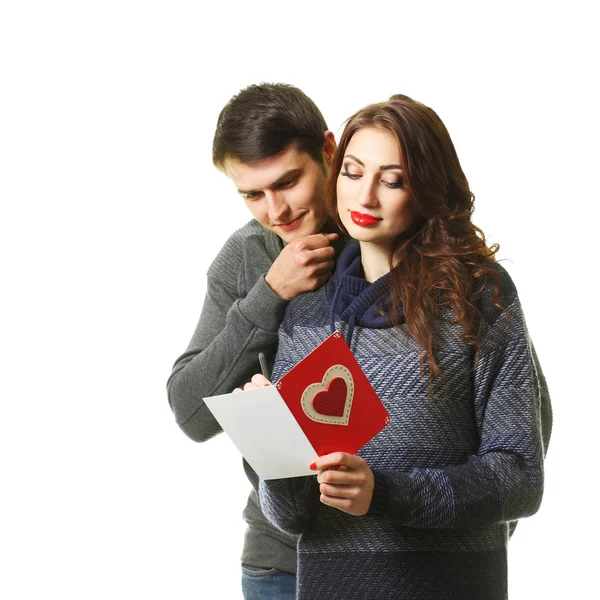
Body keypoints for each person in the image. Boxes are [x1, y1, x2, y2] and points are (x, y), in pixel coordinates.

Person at [241, 95, 551, 599]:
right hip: (330, 587)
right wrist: (270, 444)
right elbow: (293, 517)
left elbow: (519, 477)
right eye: (353, 172)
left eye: (392, 180)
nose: (364, 197)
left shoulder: (479, 296)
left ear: (426, 188)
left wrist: (385, 494)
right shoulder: (307, 308)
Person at [166, 83, 348, 599]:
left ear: (329, 152)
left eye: (288, 181)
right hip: (282, 562)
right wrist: (270, 293)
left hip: (406, 553)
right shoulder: (247, 255)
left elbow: (512, 411)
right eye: (251, 194)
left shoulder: (395, 231)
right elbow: (191, 413)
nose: (276, 210)